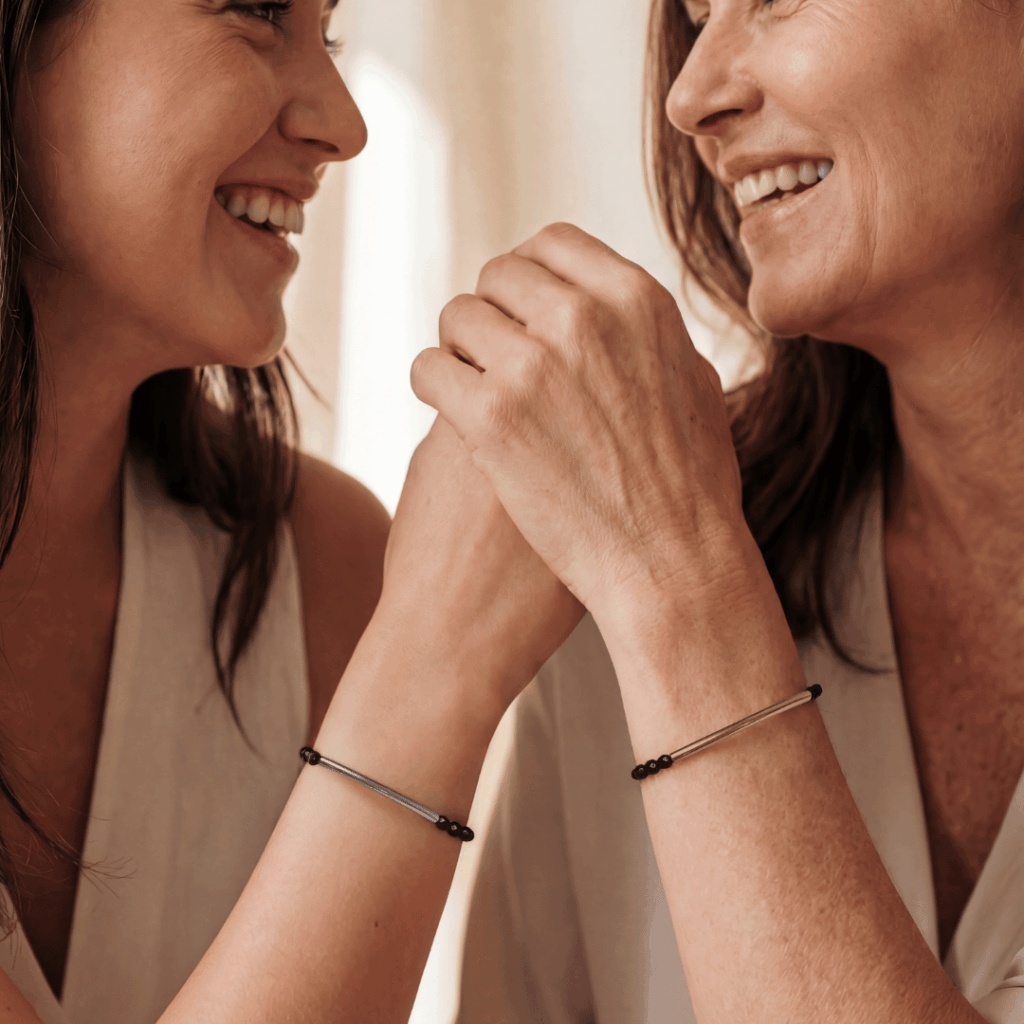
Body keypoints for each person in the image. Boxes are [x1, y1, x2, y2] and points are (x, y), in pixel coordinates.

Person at [0, 0, 582, 1020]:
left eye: (331, 32)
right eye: (258, 11)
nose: (344, 127)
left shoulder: (323, 568)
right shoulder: (390, 618)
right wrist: (433, 665)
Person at [447, 0, 1024, 1021]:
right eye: (693, 12)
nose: (690, 96)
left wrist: (675, 593)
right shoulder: (608, 586)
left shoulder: (648, 565)